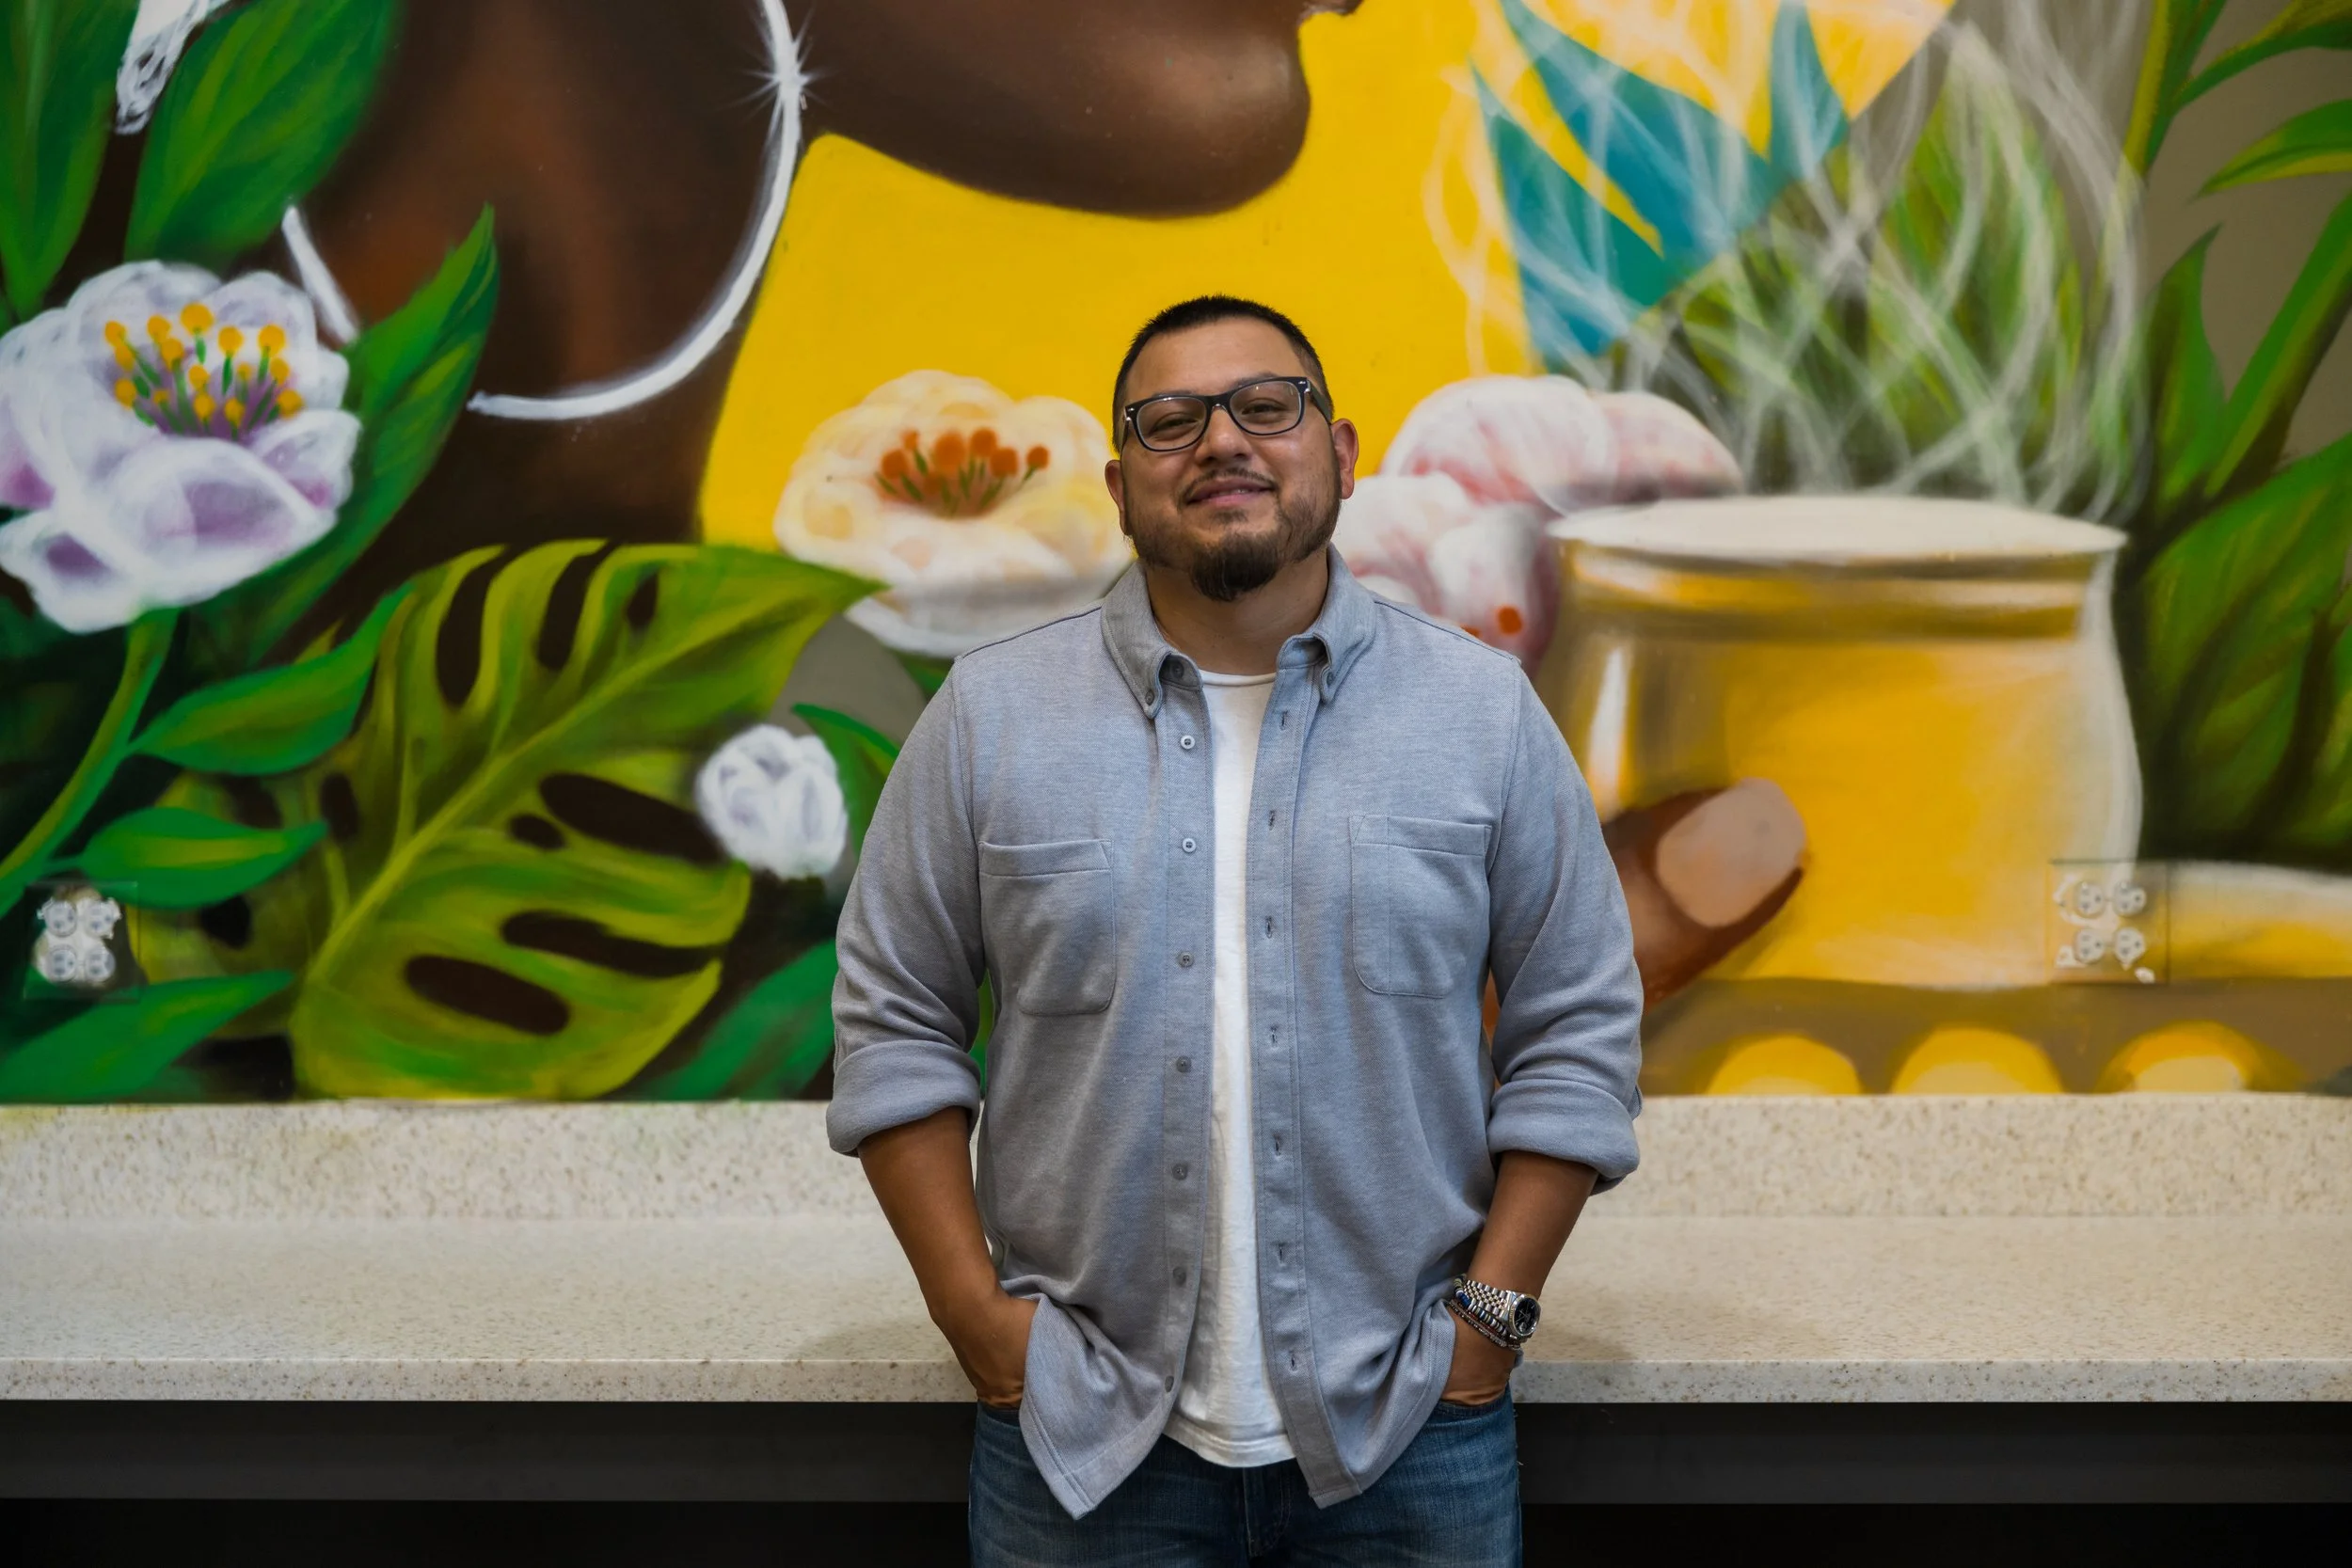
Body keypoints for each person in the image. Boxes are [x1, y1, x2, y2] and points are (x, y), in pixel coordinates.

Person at [828, 295, 1644, 1564]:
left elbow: (1578, 1025)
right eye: (1169, 421)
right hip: (1081, 1442)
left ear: (1343, 455)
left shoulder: (1482, 714)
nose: (1221, 440)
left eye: (1268, 405)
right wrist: (975, 1320)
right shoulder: (989, 719)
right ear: (1119, 486)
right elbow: (893, 1022)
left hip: (1410, 1433)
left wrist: (1487, 1328)